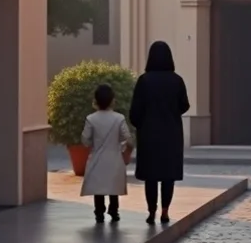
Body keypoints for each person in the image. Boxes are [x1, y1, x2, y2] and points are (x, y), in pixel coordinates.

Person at [129, 40, 190, 224]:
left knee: (151, 176)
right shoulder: (177, 80)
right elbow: (184, 105)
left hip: (149, 135)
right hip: (171, 134)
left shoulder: (144, 81)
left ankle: (151, 211)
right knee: (167, 176)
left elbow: (135, 111)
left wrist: (140, 124)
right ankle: (165, 211)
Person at [80, 82, 132, 223]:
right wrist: (125, 151)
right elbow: (127, 138)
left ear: (96, 100)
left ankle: (99, 212)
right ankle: (114, 211)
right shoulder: (119, 118)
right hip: (114, 156)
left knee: (99, 187)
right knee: (113, 186)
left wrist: (93, 144)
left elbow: (85, 140)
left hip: (97, 156)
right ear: (112, 100)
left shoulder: (91, 119)